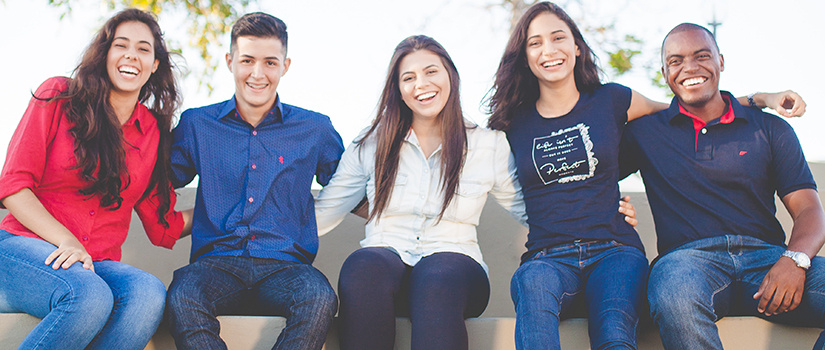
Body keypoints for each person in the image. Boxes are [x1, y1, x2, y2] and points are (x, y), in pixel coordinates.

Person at [485, 2, 806, 349]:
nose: (549, 49)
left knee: (615, 334)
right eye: (536, 42)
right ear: (524, 55)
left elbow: (688, 105)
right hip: (550, 256)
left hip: (614, 249)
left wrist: (759, 98)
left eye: (558, 37)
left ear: (577, 46)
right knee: (532, 287)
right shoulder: (511, 123)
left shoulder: (613, 100)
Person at [313, 35, 636, 350]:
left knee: (436, 276)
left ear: (450, 76)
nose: (421, 84)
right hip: (386, 260)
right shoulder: (371, 144)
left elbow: (535, 209)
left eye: (431, 72)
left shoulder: (487, 144)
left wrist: (603, 208)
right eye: (408, 78)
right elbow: (326, 210)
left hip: (456, 268)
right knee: (362, 267)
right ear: (397, 90)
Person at [620, 23, 825, 350]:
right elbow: (590, 174)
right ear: (664, 72)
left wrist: (795, 259)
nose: (689, 67)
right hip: (688, 262)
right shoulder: (645, 133)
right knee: (675, 296)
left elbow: (809, 209)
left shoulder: (770, 128)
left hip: (769, 259)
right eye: (676, 61)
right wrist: (613, 205)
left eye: (702, 56)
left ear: (721, 61)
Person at [0, 8, 190, 350]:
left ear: (155, 64)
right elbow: (13, 186)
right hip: (22, 248)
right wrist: (67, 240)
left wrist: (236, 209)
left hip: (95, 264)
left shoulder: (152, 133)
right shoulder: (59, 96)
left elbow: (163, 225)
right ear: (105, 54)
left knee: (148, 294)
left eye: (144, 48)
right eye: (121, 45)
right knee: (88, 296)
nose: (132, 54)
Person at [164, 12, 344, 350]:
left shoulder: (315, 129)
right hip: (215, 265)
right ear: (230, 61)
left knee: (319, 298)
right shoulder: (196, 124)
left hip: (286, 267)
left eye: (270, 62)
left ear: (285, 65)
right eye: (247, 60)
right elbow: (154, 182)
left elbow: (353, 190)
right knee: (182, 295)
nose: (257, 73)